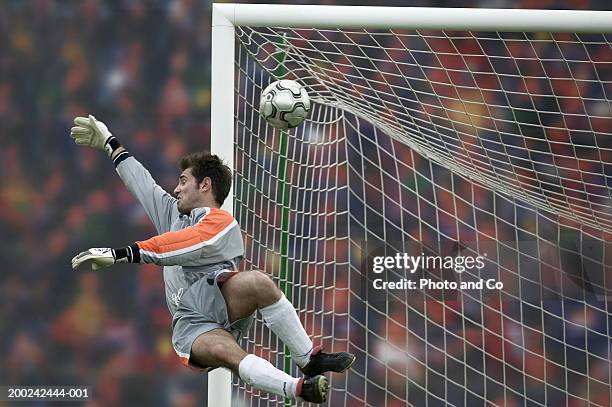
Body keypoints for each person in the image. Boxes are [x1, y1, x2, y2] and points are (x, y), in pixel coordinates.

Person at [69, 115, 355, 404]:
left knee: (258, 281)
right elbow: (142, 183)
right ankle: (298, 388)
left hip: (223, 302)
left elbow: (182, 246)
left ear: (205, 185)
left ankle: (307, 358)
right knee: (225, 353)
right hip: (191, 323)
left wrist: (122, 254)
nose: (176, 188)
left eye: (183, 181)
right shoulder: (171, 214)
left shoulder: (221, 223)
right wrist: (109, 143)